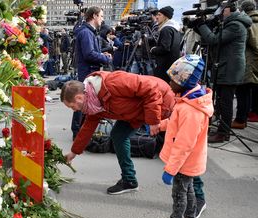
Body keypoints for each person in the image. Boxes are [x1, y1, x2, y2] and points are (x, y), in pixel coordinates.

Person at [61, 71, 175, 194]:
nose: (74, 110)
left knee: (183, 146)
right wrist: (74, 152)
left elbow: (151, 88)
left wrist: (153, 120)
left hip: (163, 103)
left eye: (72, 106)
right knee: (118, 136)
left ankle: (195, 192)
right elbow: (87, 128)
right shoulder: (92, 103)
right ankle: (129, 180)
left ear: (79, 98)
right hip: (136, 113)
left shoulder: (112, 82)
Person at [150, 55, 214, 218]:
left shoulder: (190, 109)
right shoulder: (188, 100)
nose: (169, 83)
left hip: (183, 162)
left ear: (185, 82)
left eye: (173, 79)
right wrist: (161, 125)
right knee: (189, 190)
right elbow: (175, 123)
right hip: (188, 161)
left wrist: (171, 169)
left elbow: (184, 144)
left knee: (179, 194)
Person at [191, 3, 252, 142]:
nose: (219, 13)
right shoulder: (230, 24)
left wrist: (202, 25)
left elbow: (213, 40)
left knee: (226, 101)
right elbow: (211, 38)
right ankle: (220, 128)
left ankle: (223, 133)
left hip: (230, 68)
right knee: (220, 99)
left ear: (229, 11)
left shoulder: (235, 25)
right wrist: (200, 26)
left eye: (222, 11)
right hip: (225, 66)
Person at [71, 6, 112, 140]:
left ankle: (80, 131)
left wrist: (100, 54)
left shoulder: (89, 32)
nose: (102, 19)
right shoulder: (86, 33)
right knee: (82, 100)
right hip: (87, 72)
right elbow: (89, 54)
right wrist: (105, 58)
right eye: (101, 16)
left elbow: (90, 52)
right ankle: (78, 132)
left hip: (89, 70)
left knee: (84, 100)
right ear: (94, 16)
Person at [231, 1, 258, 128]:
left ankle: (241, 119)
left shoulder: (248, 23)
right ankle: (253, 114)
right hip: (255, 62)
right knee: (254, 90)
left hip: (249, 61)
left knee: (243, 91)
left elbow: (253, 43)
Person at [150, 6, 181, 83]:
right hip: (171, 67)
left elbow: (165, 48)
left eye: (159, 15)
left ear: (165, 17)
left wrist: (153, 49)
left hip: (164, 68)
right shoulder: (174, 29)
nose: (157, 17)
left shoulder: (166, 29)